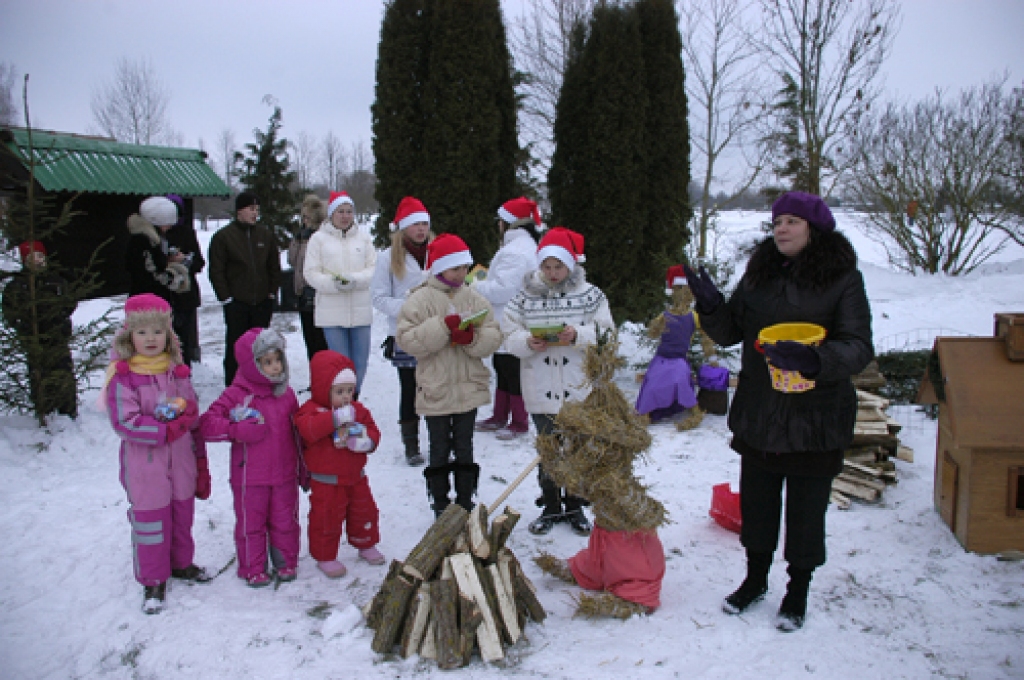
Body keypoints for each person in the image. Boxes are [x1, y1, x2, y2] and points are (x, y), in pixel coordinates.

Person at [684, 191, 873, 632]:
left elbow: (859, 346)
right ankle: (754, 580)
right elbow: (732, 331)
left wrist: (815, 360)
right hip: (761, 410)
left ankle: (798, 590)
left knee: (807, 511)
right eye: (777, 221)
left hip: (816, 416)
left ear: (814, 228)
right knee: (759, 503)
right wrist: (711, 306)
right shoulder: (760, 272)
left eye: (791, 221)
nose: (781, 229)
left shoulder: (841, 276)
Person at [503, 227, 615, 536]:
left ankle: (576, 504)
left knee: (577, 448)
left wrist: (578, 334)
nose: (552, 273)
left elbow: (607, 333)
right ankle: (551, 505)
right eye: (547, 266)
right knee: (548, 448)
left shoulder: (591, 295)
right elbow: (508, 334)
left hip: (578, 386)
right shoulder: (525, 296)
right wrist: (527, 341)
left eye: (559, 266)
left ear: (571, 265)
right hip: (540, 384)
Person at [103, 293, 210, 614]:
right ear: (129, 336)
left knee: (181, 514)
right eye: (142, 332)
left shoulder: (175, 371)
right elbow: (125, 421)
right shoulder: (123, 377)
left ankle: (181, 563)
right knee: (151, 520)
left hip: (181, 460)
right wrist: (163, 430)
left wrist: (188, 417)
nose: (150, 339)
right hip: (145, 465)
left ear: (168, 336)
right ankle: (153, 580)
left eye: (157, 332)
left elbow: (190, 406)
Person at [396, 233, 502, 516]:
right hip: (436, 388)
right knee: (439, 447)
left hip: (468, 387)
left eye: (465, 268)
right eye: (455, 268)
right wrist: (442, 328)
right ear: (439, 267)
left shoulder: (473, 297)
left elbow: (493, 333)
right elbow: (407, 339)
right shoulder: (419, 299)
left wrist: (471, 339)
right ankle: (440, 504)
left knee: (464, 446)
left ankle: (465, 502)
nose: (462, 273)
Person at [199, 328, 302, 587]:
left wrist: (305, 468)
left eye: (278, 359)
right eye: (267, 362)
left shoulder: (286, 394)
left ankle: (285, 561)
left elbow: (298, 434)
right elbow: (208, 424)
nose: (275, 366)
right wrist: (236, 430)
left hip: (284, 474)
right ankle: (253, 567)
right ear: (252, 364)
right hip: (250, 477)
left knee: (285, 520)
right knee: (251, 525)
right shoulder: (237, 394)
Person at [294, 350, 384, 578]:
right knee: (326, 517)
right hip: (326, 481)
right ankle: (325, 555)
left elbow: (373, 430)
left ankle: (365, 542)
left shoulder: (358, 411)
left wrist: (366, 442)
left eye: (349, 391)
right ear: (324, 389)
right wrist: (334, 419)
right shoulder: (311, 411)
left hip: (356, 476)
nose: (345, 397)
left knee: (364, 511)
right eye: (339, 391)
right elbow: (308, 430)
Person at [370, 196, 433, 466]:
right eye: (415, 224)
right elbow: (379, 297)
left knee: (434, 388)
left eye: (425, 224)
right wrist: (410, 308)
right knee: (410, 389)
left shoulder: (438, 250)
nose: (421, 229)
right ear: (404, 228)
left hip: (436, 332)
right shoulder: (388, 257)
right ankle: (411, 444)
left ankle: (439, 440)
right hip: (406, 332)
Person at [472, 196, 541, 440]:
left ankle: (519, 421)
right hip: (514, 318)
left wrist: (475, 285)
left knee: (511, 369)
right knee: (503, 366)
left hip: (510, 319)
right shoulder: (525, 246)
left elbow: (503, 290)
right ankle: (500, 415)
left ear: (507, 223)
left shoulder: (515, 251)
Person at [303, 191, 377, 394]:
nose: (345, 216)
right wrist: (334, 284)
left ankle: (353, 403)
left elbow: (373, 269)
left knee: (360, 365)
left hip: (360, 313)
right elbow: (310, 273)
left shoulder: (363, 239)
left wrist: (355, 280)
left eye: (349, 211)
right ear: (331, 214)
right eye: (340, 211)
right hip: (331, 314)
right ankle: (342, 407)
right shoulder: (318, 239)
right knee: (340, 365)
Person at [208, 192, 281, 386]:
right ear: (240, 210)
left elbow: (274, 266)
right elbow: (217, 270)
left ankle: (261, 381)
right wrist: (226, 298)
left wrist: (272, 292)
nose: (255, 213)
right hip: (237, 303)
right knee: (235, 346)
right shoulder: (224, 237)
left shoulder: (265, 235)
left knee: (261, 346)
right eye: (251, 209)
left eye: (257, 209)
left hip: (262, 302)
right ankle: (234, 385)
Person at [1, 241, 78, 418]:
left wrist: (60, 316)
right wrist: (21, 324)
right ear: (24, 261)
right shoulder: (18, 285)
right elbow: (9, 309)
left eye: (40, 256)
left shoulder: (56, 281)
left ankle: (67, 409)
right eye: (32, 257)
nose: (37, 260)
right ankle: (44, 408)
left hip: (57, 335)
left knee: (62, 370)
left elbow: (69, 301)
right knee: (38, 373)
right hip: (33, 339)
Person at [634, 265, 718, 424]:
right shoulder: (665, 315)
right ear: (672, 290)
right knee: (652, 383)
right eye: (679, 288)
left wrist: (711, 356)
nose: (683, 293)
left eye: (687, 289)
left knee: (680, 380)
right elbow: (652, 334)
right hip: (661, 358)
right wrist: (655, 327)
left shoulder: (694, 316)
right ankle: (646, 413)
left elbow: (705, 338)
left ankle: (694, 413)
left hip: (679, 360)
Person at [125, 197, 195, 364]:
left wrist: (169, 261)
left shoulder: (152, 239)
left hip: (155, 302)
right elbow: (151, 275)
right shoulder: (142, 242)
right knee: (152, 345)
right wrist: (175, 276)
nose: (170, 226)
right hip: (147, 305)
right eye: (167, 222)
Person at [164, 194, 206, 366]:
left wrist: (184, 260)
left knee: (184, 344)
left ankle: (184, 378)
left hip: (185, 296)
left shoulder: (187, 233)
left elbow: (199, 263)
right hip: (164, 295)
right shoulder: (156, 234)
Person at [287, 194, 329, 362]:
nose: (305, 220)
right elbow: (292, 260)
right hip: (303, 294)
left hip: (318, 295)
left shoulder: (322, 237)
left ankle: (325, 379)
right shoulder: (301, 237)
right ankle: (315, 379)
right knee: (310, 341)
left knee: (321, 341)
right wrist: (297, 241)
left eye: (308, 217)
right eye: (303, 217)